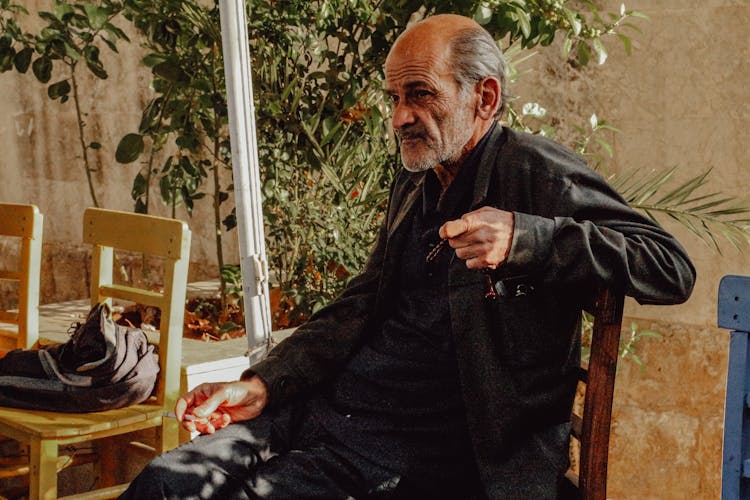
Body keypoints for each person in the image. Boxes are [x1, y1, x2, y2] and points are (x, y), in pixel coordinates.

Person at [121, 13, 695, 500]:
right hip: (336, 410)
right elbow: (364, 300)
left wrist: (528, 236)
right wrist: (266, 384)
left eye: (420, 94)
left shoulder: (534, 171)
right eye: (394, 98)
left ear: (484, 97)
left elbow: (669, 266)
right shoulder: (420, 174)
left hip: (429, 449)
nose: (399, 117)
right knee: (167, 481)